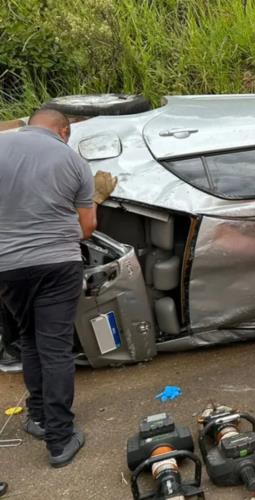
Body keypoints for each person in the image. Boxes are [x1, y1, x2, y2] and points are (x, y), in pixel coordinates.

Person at [0, 108, 117, 468]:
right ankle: (60, 439)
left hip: (7, 266)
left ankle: (37, 417)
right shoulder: (72, 160)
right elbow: (86, 229)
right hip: (56, 263)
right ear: (64, 130)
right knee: (55, 347)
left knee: (30, 338)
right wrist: (96, 199)